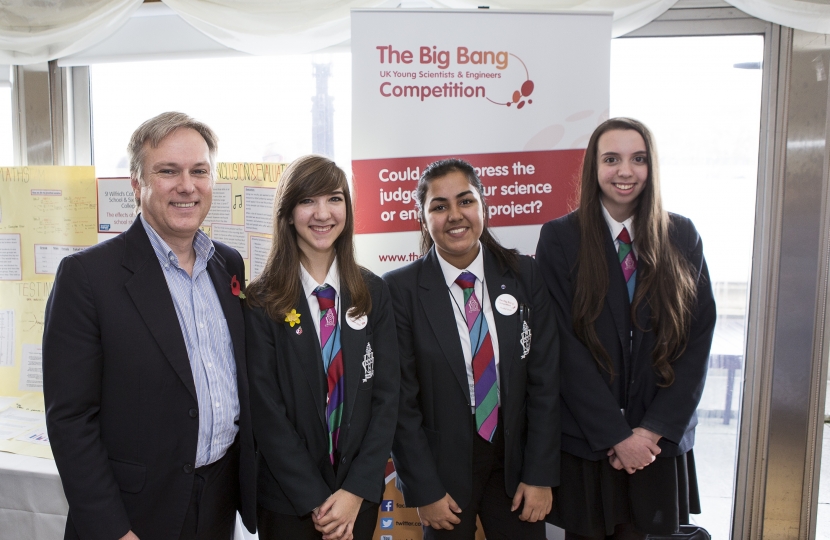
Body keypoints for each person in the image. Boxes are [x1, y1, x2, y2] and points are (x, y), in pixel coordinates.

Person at [43, 112, 256, 540]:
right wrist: (113, 530)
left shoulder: (227, 264)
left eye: (199, 171)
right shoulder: (88, 277)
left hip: (217, 502)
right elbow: (70, 420)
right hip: (133, 514)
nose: (186, 186)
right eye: (167, 172)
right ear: (137, 184)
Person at [536, 117, 716, 539]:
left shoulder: (681, 235)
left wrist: (649, 433)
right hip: (591, 442)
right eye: (611, 159)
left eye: (638, 159)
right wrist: (617, 437)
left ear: (650, 166)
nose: (625, 171)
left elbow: (697, 342)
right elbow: (560, 344)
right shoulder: (560, 238)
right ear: (593, 167)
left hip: (657, 445)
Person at [384, 158, 560, 540]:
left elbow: (546, 382)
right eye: (439, 206)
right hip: (443, 471)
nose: (454, 215)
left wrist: (541, 474)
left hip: (516, 464)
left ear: (483, 207)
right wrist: (424, 488)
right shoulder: (400, 290)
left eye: (465, 201)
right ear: (423, 218)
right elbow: (401, 402)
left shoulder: (524, 276)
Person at [244, 155, 399, 540]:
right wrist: (317, 500)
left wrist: (354, 492)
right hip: (288, 503)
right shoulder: (261, 301)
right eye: (307, 201)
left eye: (334, 198)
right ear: (288, 212)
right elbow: (266, 414)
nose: (322, 213)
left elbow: (386, 399)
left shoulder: (372, 292)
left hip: (356, 500)